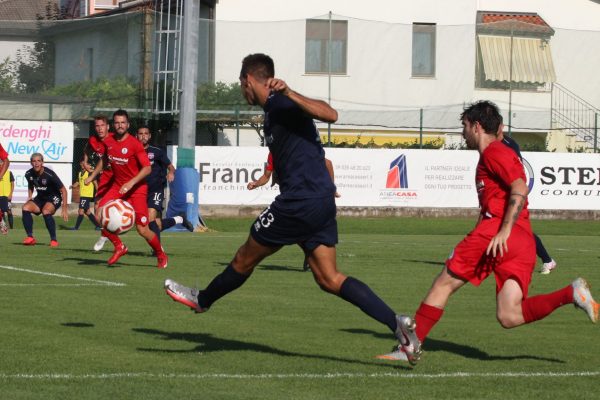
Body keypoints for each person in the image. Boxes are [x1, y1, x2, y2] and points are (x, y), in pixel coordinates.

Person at [164, 53, 421, 363]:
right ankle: (399, 326)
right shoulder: (271, 113)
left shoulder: (282, 103)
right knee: (329, 278)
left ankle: (202, 299)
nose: (242, 92)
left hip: (300, 201)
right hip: (317, 201)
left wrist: (289, 92)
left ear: (248, 81)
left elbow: (331, 114)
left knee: (244, 258)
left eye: (241, 85)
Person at [393, 101, 599, 363]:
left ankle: (408, 348)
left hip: (499, 234)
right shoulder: (493, 154)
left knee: (442, 285)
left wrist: (502, 230)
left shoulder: (494, 152)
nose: (463, 133)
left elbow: (520, 188)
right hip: (522, 240)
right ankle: (571, 294)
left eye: (465, 126)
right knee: (509, 315)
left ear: (477, 127)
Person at [85, 109, 168, 269]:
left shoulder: (135, 144)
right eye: (117, 122)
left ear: (128, 124)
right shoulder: (108, 141)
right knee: (99, 214)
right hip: (118, 186)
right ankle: (119, 246)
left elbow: (147, 169)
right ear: (112, 125)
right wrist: (92, 176)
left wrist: (131, 183)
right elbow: (104, 159)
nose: (120, 125)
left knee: (143, 229)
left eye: (123, 122)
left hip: (137, 189)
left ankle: (160, 254)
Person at [248, 151, 340, 271]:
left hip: (301, 196)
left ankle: (313, 253)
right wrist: (255, 184)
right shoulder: (273, 153)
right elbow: (266, 176)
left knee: (290, 226)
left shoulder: (297, 147)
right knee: (295, 226)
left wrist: (331, 188)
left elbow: (328, 163)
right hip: (290, 196)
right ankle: (311, 252)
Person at [500, 134, 557, 275]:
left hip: (513, 192)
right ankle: (547, 260)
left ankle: (547, 260)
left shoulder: (507, 144)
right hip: (506, 192)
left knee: (519, 230)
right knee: (503, 226)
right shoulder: (503, 142)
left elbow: (513, 169)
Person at [136, 126, 193, 241]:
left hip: (155, 189)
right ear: (136, 136)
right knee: (147, 224)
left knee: (151, 218)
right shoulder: (133, 152)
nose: (143, 136)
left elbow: (171, 167)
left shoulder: (156, 152)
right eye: (141, 134)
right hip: (139, 191)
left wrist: (171, 173)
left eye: (146, 133)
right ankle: (179, 219)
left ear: (150, 136)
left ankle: (158, 250)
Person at [22, 153, 69, 246]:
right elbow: (30, 184)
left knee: (46, 211)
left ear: (42, 162)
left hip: (54, 197)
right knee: (25, 208)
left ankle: (54, 240)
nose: (36, 163)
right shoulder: (28, 174)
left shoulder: (49, 174)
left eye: (39, 161)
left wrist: (64, 209)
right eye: (34, 161)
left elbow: (64, 190)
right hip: (40, 198)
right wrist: (30, 196)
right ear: (31, 163)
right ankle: (30, 237)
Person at [85, 115, 114, 250]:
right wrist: (84, 163)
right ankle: (106, 235)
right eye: (97, 126)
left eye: (102, 125)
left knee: (142, 221)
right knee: (97, 208)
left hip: (121, 177)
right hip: (106, 177)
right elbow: (87, 152)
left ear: (108, 126)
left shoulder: (115, 139)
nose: (100, 128)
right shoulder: (93, 140)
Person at [69, 161, 101, 230]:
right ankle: (98, 226)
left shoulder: (90, 173)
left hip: (87, 194)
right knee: (87, 212)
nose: (83, 165)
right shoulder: (80, 173)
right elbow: (78, 183)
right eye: (81, 163)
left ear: (88, 165)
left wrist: (97, 193)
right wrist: (72, 186)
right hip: (83, 194)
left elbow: (95, 184)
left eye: (85, 163)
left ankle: (76, 227)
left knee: (81, 211)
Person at [0, 160, 14, 234]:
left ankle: (12, 228)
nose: (0, 164)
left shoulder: (9, 172)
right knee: (1, 212)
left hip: (7, 195)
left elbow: (12, 184)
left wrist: (11, 194)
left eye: (1, 163)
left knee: (9, 211)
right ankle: (4, 227)